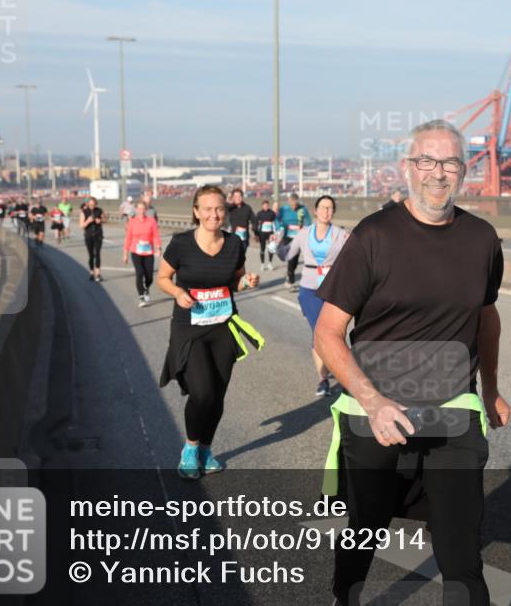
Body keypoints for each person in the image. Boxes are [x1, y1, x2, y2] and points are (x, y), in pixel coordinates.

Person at [314, 120, 509, 606]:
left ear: (463, 170)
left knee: (461, 552)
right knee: (366, 528)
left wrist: (491, 390)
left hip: (453, 412)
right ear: (407, 168)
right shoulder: (373, 236)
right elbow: (328, 333)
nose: (437, 173)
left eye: (449, 162)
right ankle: (345, 600)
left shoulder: (482, 239)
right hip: (376, 412)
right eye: (426, 161)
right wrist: (373, 402)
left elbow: (486, 318)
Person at [157, 185, 263, 479]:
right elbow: (163, 278)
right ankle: (190, 449)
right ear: (196, 212)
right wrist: (178, 292)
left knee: (217, 394)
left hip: (223, 327)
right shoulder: (181, 243)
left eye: (219, 209)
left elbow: (235, 282)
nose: (214, 214)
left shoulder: (234, 244)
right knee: (202, 393)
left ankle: (206, 449)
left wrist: (248, 282)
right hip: (189, 327)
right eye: (207, 209)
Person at [278, 196, 349, 397]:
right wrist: (276, 244)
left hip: (334, 289)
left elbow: (355, 256)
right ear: (315, 211)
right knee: (318, 333)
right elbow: (287, 254)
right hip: (310, 290)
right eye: (323, 207)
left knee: (336, 333)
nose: (327, 211)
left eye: (330, 208)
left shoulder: (340, 234)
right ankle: (323, 379)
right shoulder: (304, 234)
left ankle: (342, 371)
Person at [123, 200, 162, 307]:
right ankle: (141, 297)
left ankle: (146, 288)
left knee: (149, 276)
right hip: (136, 252)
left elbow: (156, 236)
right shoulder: (132, 222)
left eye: (143, 209)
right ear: (136, 210)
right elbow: (128, 238)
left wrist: (158, 248)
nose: (141, 211)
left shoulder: (151, 221)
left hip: (148, 252)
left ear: (146, 210)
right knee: (139, 273)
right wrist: (125, 253)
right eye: (139, 209)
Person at [277, 192, 311, 289]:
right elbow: (277, 220)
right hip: (287, 236)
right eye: (292, 205)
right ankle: (290, 281)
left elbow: (308, 221)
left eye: (295, 205)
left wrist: (305, 229)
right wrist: (280, 228)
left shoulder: (302, 209)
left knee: (295, 259)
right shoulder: (283, 209)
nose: (294, 207)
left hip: (298, 237)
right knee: (291, 258)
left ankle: (289, 272)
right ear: (289, 201)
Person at [80, 197, 106, 282]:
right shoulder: (84, 212)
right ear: (88, 204)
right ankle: (92, 272)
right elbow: (81, 226)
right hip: (88, 236)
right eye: (90, 205)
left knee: (97, 254)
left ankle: (98, 274)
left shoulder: (99, 210)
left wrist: (100, 220)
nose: (92, 206)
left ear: (96, 204)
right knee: (91, 255)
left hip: (98, 235)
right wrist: (88, 221)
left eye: (93, 205)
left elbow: (105, 219)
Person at [255, 199, 278, 270]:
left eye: (267, 205)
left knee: (271, 248)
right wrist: (256, 234)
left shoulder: (272, 213)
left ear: (268, 205)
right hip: (262, 233)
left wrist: (275, 233)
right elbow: (256, 224)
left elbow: (276, 223)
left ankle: (270, 264)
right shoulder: (259, 213)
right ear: (262, 206)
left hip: (270, 233)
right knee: (262, 248)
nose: (266, 206)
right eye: (264, 205)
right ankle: (262, 264)